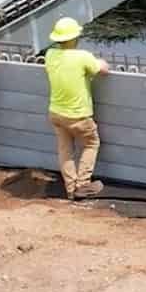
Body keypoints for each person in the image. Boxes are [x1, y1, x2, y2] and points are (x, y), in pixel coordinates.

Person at [44, 16, 109, 201]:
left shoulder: (50, 55)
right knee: (91, 143)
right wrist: (102, 63)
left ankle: (71, 189)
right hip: (79, 116)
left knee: (65, 150)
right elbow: (102, 70)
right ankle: (83, 185)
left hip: (56, 113)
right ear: (74, 38)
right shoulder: (82, 57)